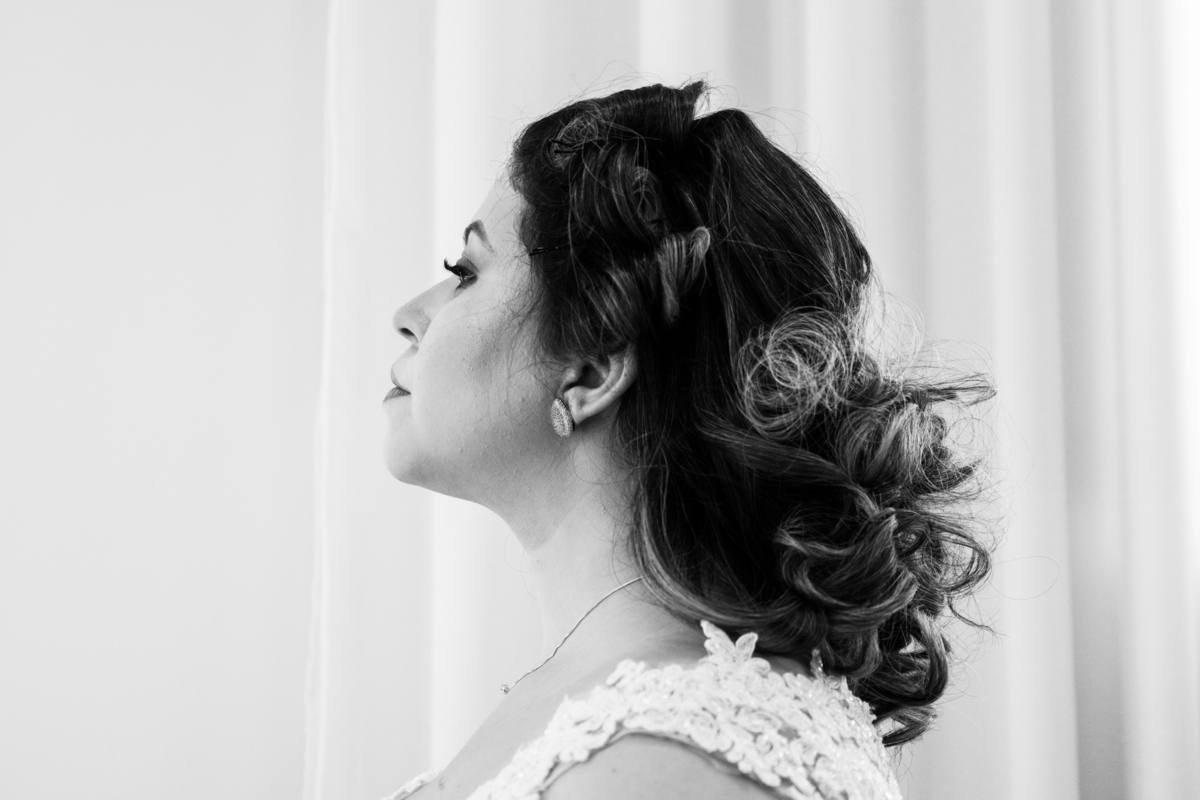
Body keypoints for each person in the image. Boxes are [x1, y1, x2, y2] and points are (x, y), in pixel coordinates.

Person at [381, 80, 992, 800]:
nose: (406, 315)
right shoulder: (614, 705)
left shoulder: (661, 761)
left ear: (592, 369)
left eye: (464, 274)